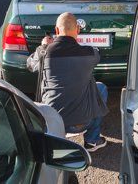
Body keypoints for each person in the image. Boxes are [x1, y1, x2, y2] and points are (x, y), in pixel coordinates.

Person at [27, 13, 109, 152]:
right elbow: (97, 54)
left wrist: (42, 47)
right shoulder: (88, 52)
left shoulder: (45, 53)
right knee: (100, 88)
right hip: (82, 122)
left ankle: (57, 138)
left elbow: (30, 64)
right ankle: (92, 140)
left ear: (57, 31)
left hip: (53, 122)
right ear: (77, 30)